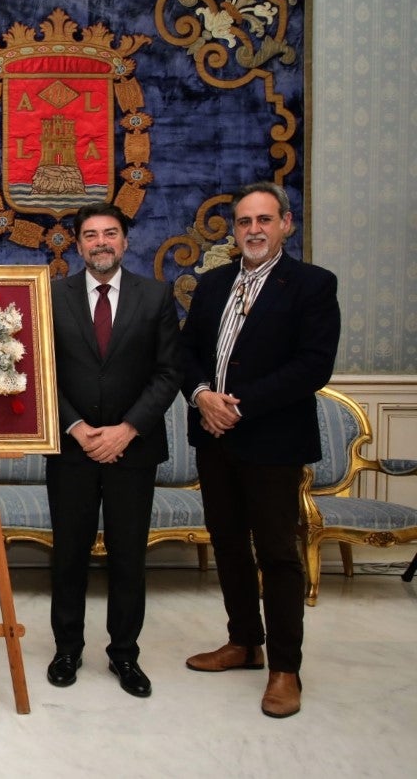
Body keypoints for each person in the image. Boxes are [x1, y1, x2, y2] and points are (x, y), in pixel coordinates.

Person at [179, 182, 339, 719]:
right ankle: (245, 643)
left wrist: (239, 406)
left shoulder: (312, 286)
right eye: (244, 221)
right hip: (213, 438)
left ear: (285, 225)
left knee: (277, 554)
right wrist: (203, 396)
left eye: (264, 220)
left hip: (271, 441)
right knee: (227, 544)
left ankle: (285, 669)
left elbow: (313, 366)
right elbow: (186, 353)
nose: (253, 230)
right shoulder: (213, 283)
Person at [45, 202, 181, 698]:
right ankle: (67, 649)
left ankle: (125, 655)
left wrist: (127, 429)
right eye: (90, 235)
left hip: (133, 450)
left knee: (128, 558)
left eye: (110, 234)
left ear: (125, 241)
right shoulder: (51, 296)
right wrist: (78, 428)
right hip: (72, 448)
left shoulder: (156, 296)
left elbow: (168, 372)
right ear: (77, 244)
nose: (100, 242)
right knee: (69, 555)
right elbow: (42, 370)